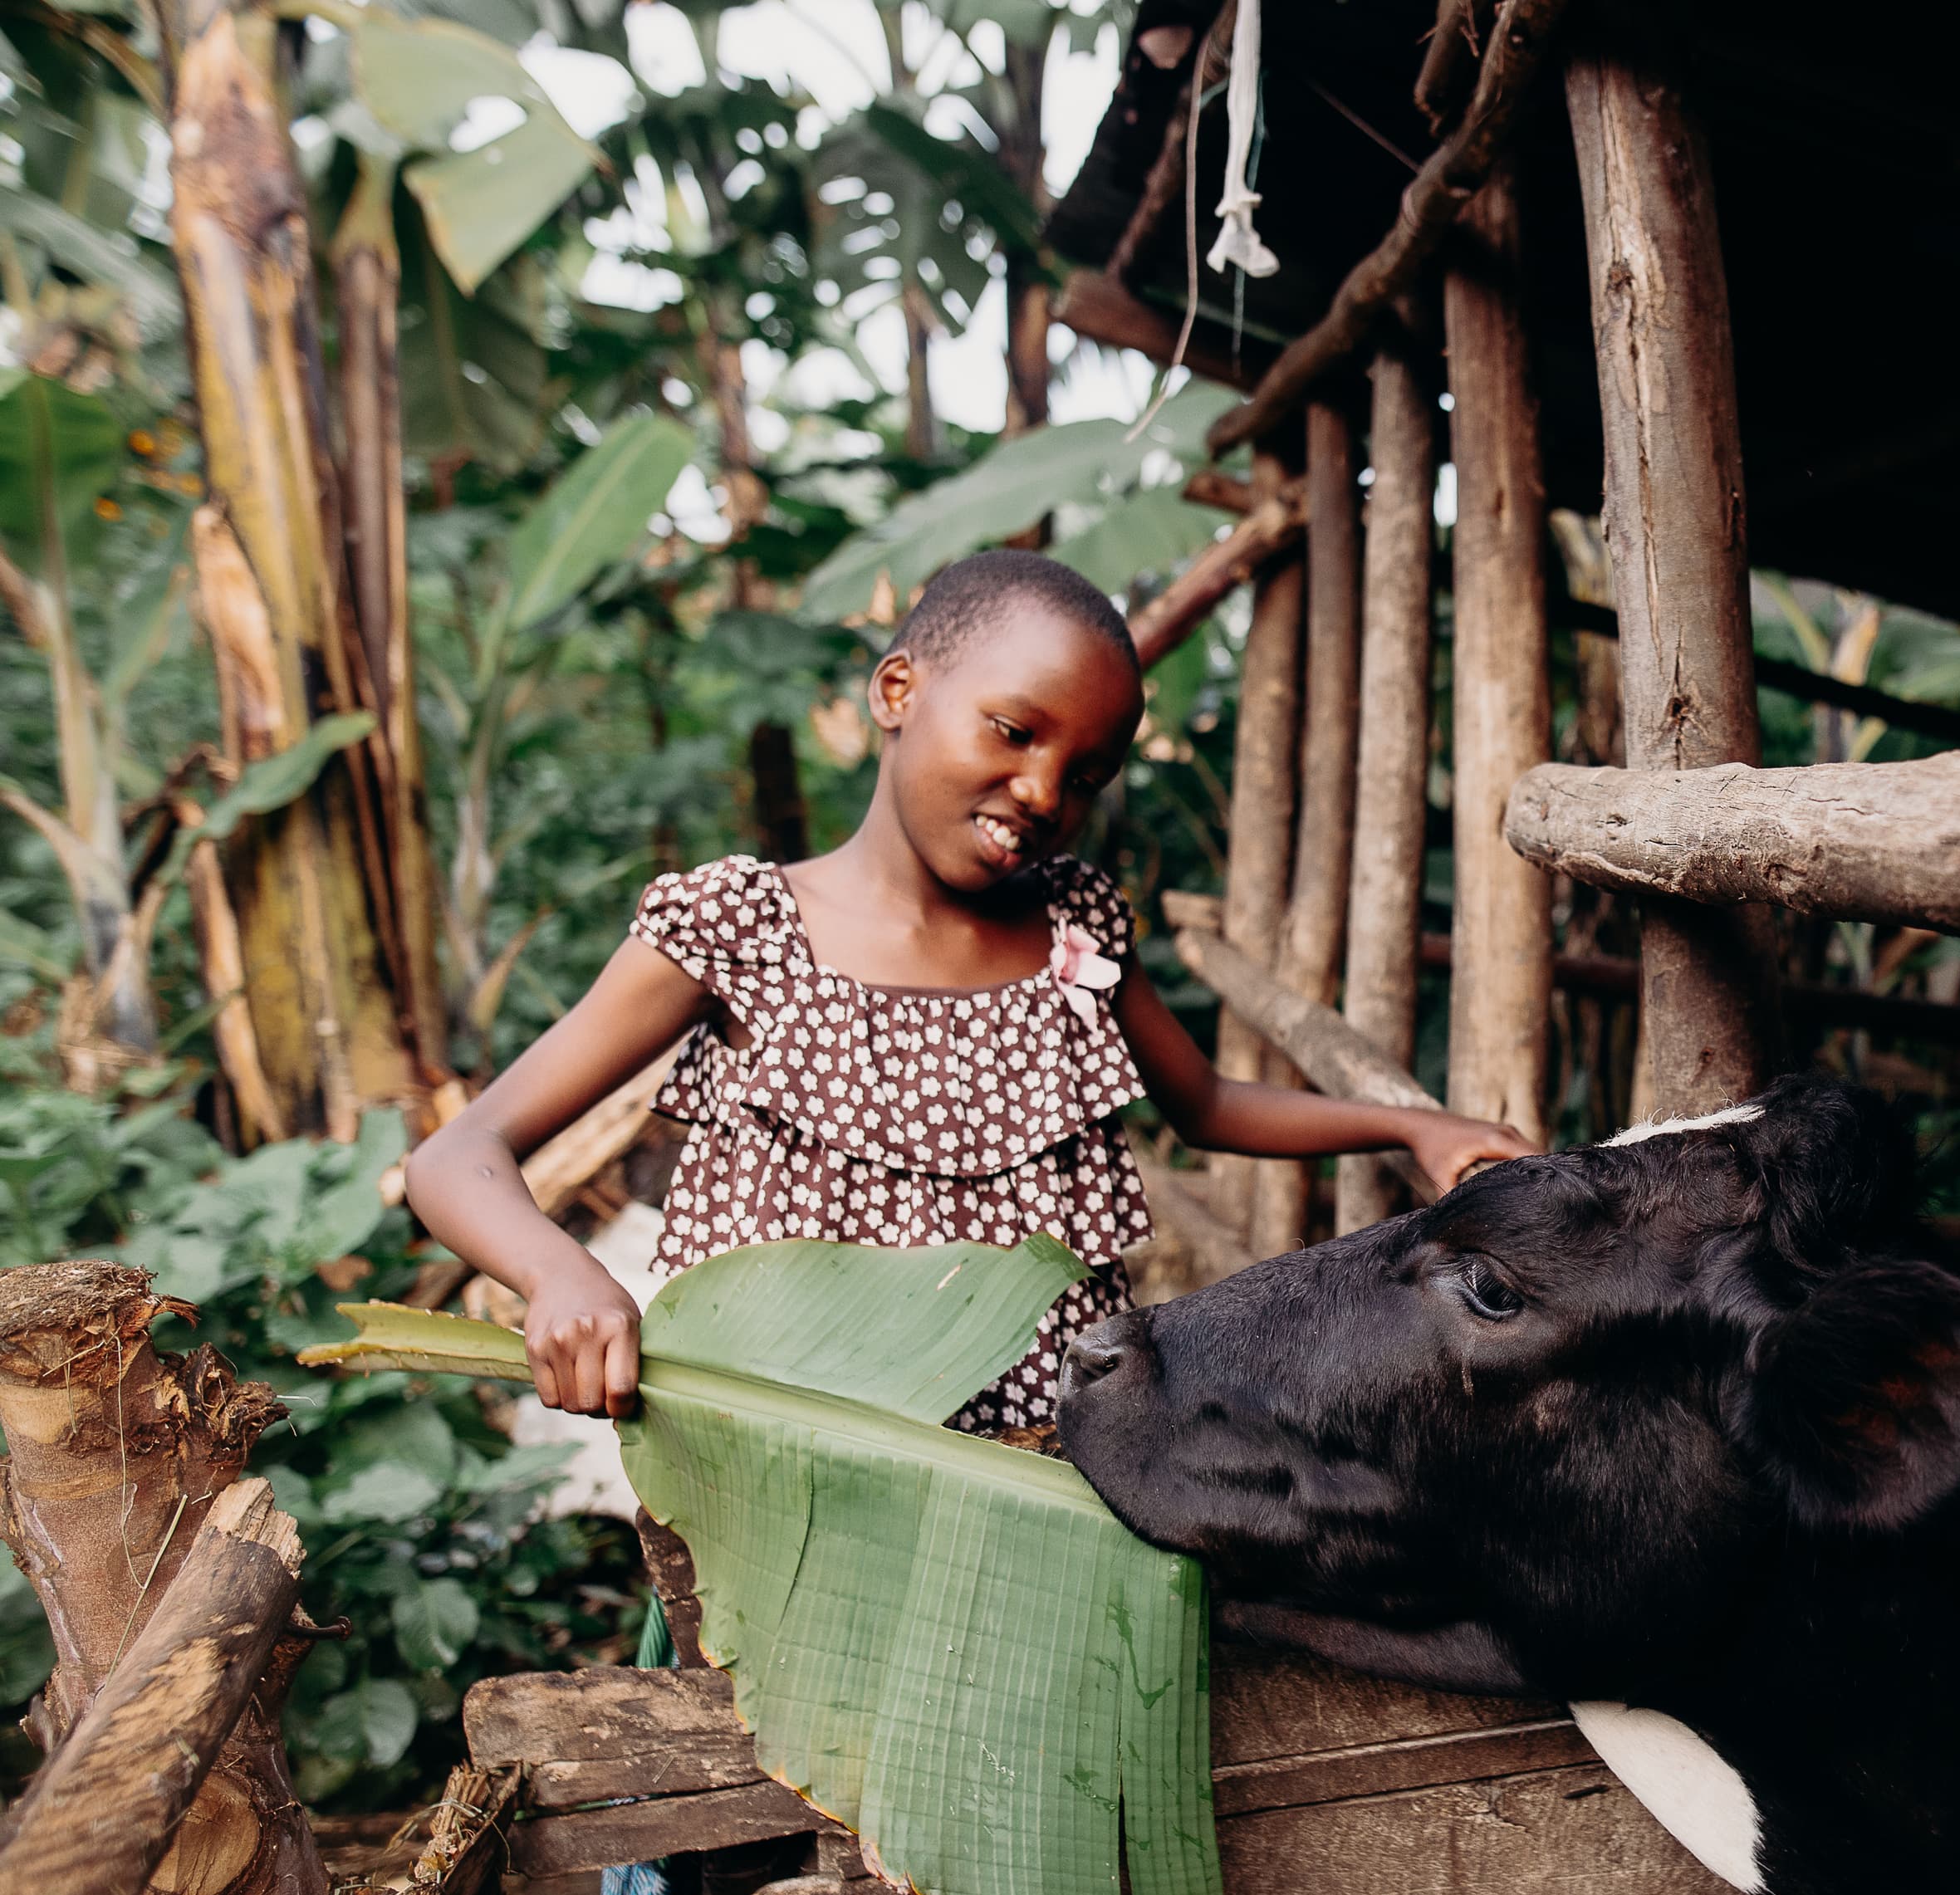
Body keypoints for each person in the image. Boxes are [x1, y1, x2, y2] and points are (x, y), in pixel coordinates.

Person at [407, 550, 1533, 1435]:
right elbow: (457, 1158)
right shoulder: (735, 925)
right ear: (899, 689)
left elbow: (1208, 1107)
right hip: (784, 1463)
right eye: (1014, 730)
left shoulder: (1076, 924)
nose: (1044, 790)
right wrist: (563, 1274)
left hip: (1050, 1471)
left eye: (1085, 774)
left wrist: (1411, 1124)